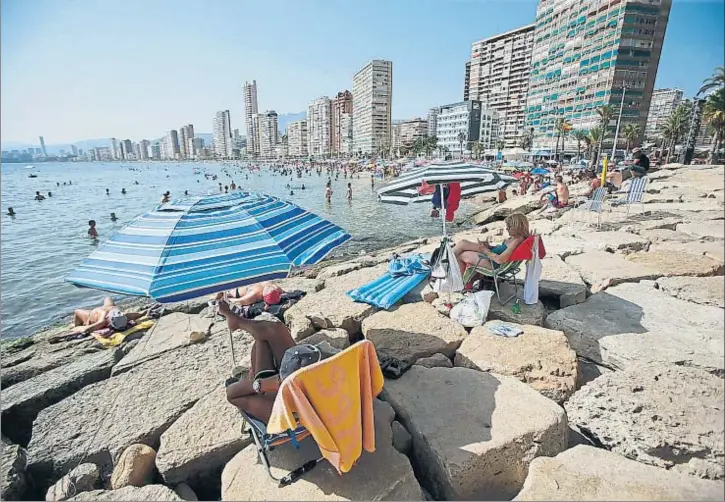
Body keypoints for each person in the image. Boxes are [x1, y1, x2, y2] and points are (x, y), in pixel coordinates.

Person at [218, 299, 339, 423]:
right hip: (299, 386)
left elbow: (231, 394)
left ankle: (237, 321)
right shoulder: (338, 381)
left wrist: (261, 384)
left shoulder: (281, 411)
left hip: (284, 398)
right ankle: (237, 321)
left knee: (262, 341)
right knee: (272, 332)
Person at [452, 212, 530, 273]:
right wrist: (489, 246)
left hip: (491, 262)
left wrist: (485, 250)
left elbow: (500, 259)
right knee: (463, 243)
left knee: (460, 254)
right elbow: (503, 250)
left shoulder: (516, 241)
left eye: (509, 227)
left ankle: (458, 282)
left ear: (517, 227)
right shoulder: (516, 238)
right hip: (490, 254)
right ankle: (446, 259)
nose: (507, 229)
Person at [71, 297, 144, 335]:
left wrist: (75, 329)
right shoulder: (124, 316)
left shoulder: (103, 321)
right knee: (108, 298)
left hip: (91, 315)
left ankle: (77, 324)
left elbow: (86, 329)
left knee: (77, 311)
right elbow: (141, 314)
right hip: (106, 309)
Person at [213, 282, 284, 307]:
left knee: (218, 296)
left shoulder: (255, 294)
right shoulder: (274, 287)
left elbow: (239, 301)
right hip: (237, 287)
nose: (270, 288)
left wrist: (227, 299)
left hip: (233, 290)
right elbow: (239, 301)